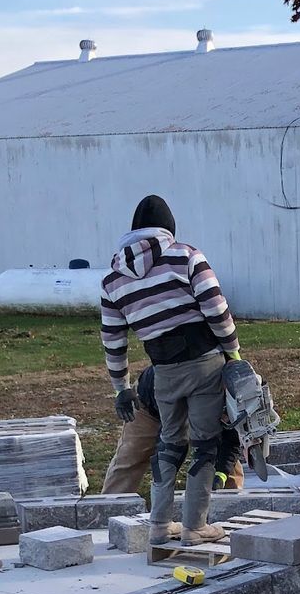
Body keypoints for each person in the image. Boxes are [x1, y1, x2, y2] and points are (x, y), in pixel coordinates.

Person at [100, 195, 241, 541]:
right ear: (168, 229)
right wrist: (233, 353)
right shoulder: (186, 257)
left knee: (169, 445)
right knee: (204, 445)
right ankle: (195, 527)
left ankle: (160, 525)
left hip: (163, 371)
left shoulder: (112, 280)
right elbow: (217, 310)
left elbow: (113, 341)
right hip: (203, 364)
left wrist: (121, 388)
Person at [101, 364, 244, 498]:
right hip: (150, 407)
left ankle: (232, 505)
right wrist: (163, 483)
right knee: (131, 457)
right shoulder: (172, 382)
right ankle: (111, 507)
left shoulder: (235, 392)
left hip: (204, 406)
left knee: (226, 466)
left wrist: (221, 473)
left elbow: (232, 439)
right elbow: (168, 444)